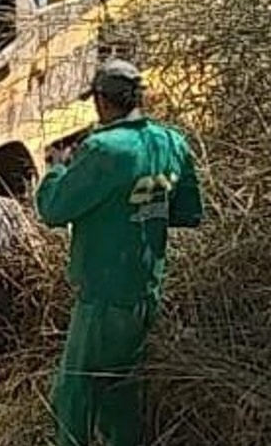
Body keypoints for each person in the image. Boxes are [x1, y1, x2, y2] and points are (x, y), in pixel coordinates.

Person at [35, 58, 204, 446]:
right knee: (120, 391)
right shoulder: (171, 142)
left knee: (73, 394)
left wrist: (59, 168)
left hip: (103, 296)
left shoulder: (103, 148)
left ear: (101, 102)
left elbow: (53, 210)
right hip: (146, 291)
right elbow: (188, 213)